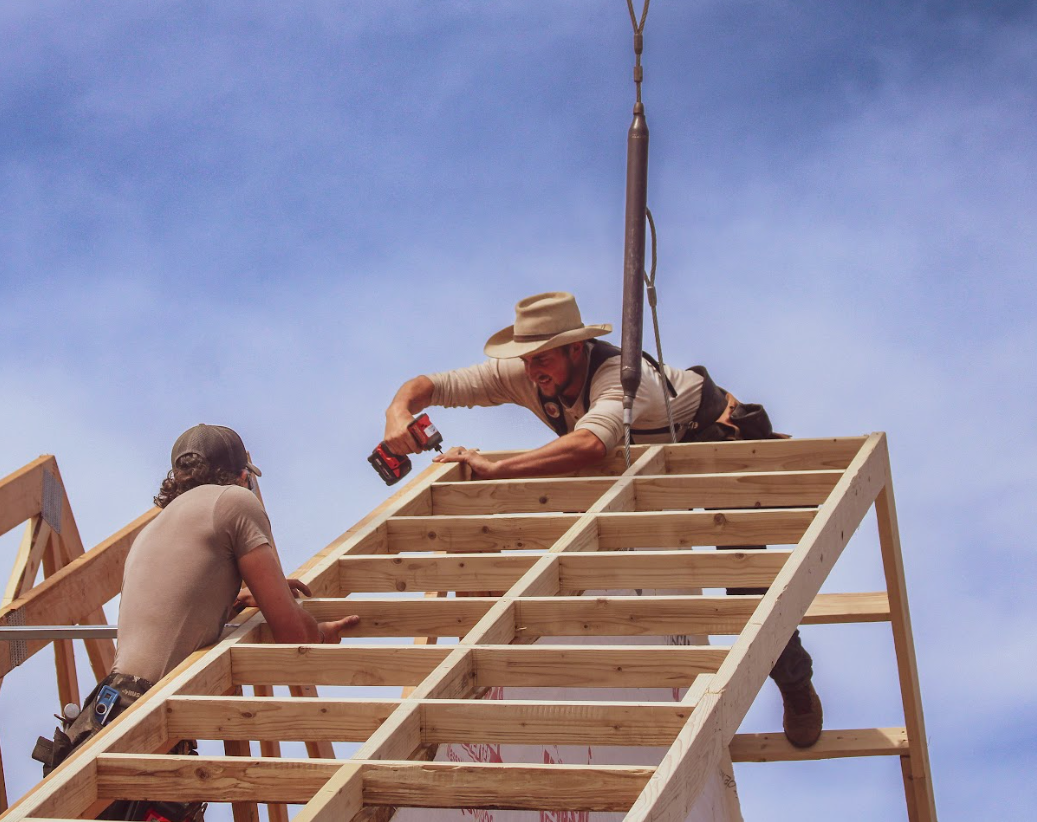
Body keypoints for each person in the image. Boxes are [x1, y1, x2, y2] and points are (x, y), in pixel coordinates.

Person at [382, 291, 823, 748]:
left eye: (543, 359)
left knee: (746, 586)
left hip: (714, 452)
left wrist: (497, 468)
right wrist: (398, 412)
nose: (534, 371)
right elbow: (432, 385)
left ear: (577, 348)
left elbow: (591, 444)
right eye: (527, 360)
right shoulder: (526, 372)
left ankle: (796, 686)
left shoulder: (621, 377)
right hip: (647, 468)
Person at [33, 424, 360, 820]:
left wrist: (233, 602)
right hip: (145, 718)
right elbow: (291, 631)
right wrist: (321, 633)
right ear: (243, 476)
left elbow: (177, 611)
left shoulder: (154, 528)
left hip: (102, 712)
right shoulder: (236, 503)